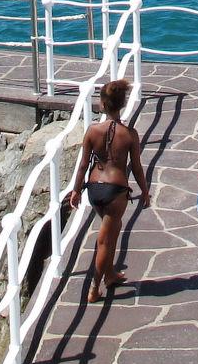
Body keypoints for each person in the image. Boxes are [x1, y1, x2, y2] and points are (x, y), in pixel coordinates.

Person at [64, 79, 150, 303]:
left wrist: (76, 191)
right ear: (121, 105)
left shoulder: (93, 131)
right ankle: (94, 288)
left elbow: (83, 165)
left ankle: (110, 274)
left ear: (102, 105)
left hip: (94, 190)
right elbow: (138, 168)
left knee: (113, 229)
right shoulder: (130, 134)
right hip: (116, 191)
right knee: (105, 240)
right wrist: (145, 191)